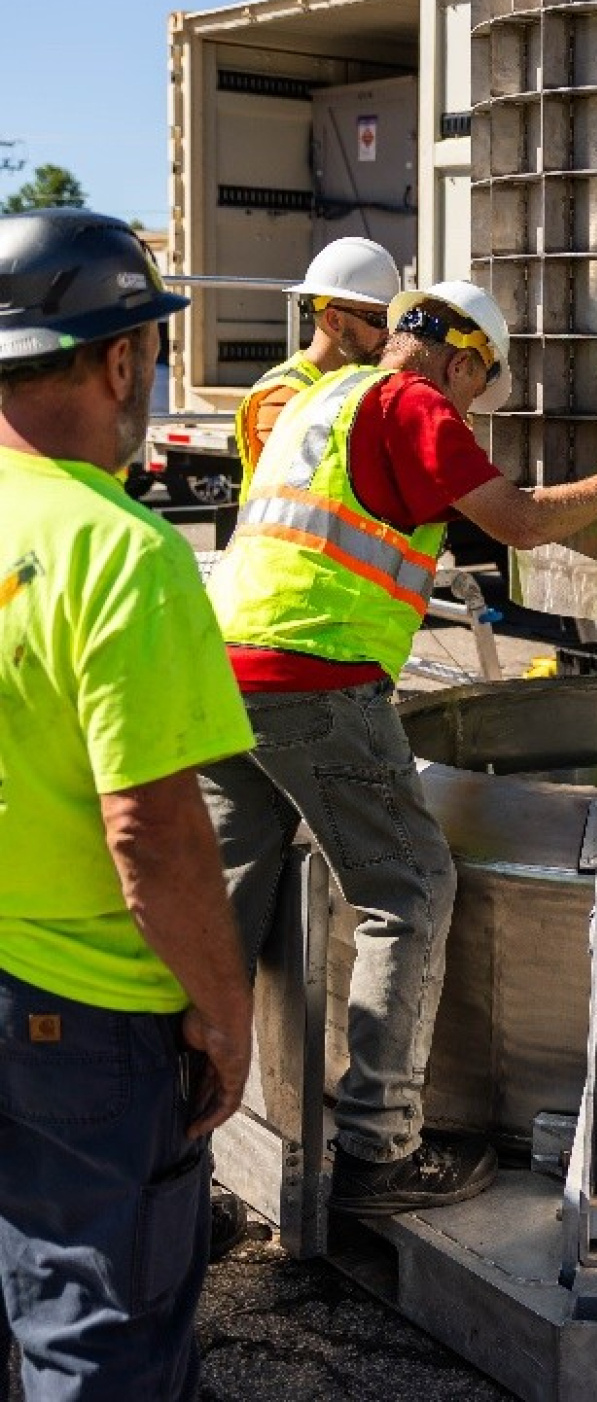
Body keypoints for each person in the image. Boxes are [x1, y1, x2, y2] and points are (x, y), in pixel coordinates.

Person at [199, 279, 597, 1217]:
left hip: (222, 677)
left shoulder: (319, 397)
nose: (469, 408)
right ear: (456, 359)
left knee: (219, 917)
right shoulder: (412, 401)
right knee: (407, 887)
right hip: (315, 678)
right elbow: (523, 522)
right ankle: (379, 1150)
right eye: (476, 388)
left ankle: (173, 1142)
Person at [0, 209, 256, 1397]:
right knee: (98, 1330)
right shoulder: (124, 552)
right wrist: (223, 1007)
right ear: (118, 358)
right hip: (85, 1018)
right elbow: (151, 834)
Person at [234, 237, 400, 496]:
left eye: (391, 320)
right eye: (378, 320)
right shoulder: (283, 396)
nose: (388, 334)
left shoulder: (364, 382)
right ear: (334, 320)